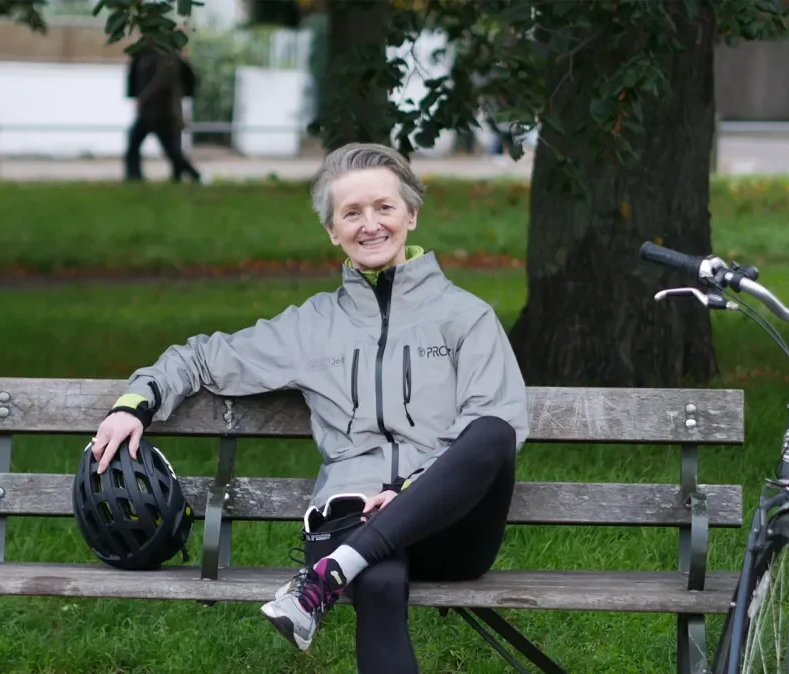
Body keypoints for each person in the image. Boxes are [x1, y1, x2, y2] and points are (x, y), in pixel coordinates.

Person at [89, 142, 529, 673]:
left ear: (411, 215)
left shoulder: (466, 316)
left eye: (384, 208)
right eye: (351, 213)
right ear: (332, 231)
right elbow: (201, 358)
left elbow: (497, 420)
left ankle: (325, 578)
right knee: (382, 580)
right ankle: (345, 565)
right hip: (350, 512)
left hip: (450, 526)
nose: (370, 225)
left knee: (492, 432)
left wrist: (407, 492)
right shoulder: (309, 327)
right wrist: (135, 404)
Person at [124, 43, 202, 183]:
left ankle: (191, 175)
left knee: (168, 148)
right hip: (159, 111)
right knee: (170, 148)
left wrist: (143, 97)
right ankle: (187, 176)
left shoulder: (164, 56)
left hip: (160, 111)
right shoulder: (157, 55)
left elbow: (162, 81)